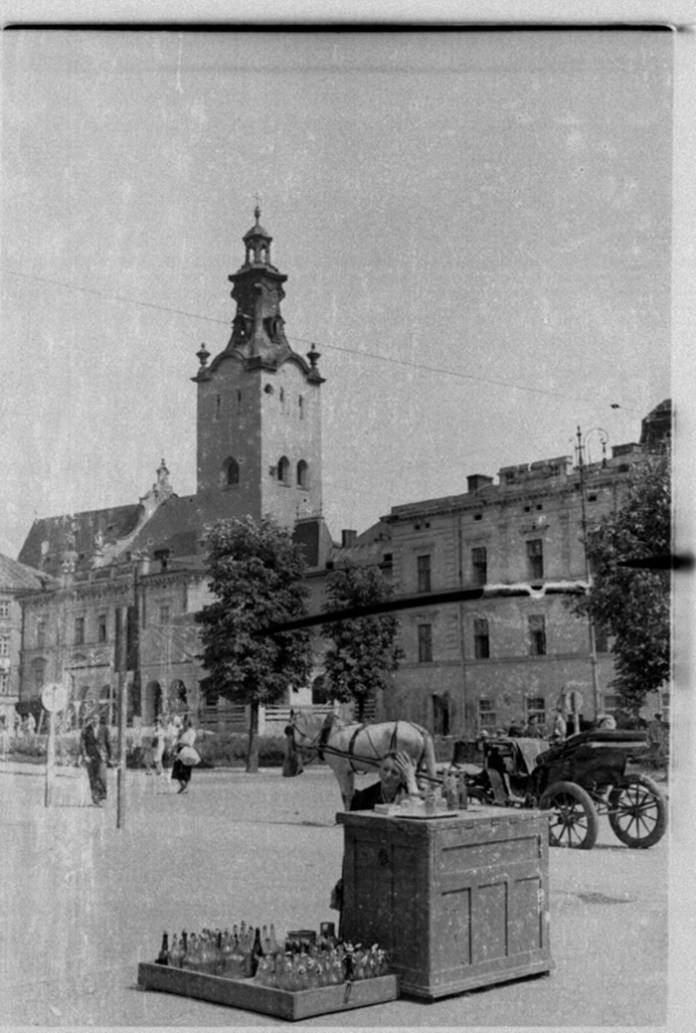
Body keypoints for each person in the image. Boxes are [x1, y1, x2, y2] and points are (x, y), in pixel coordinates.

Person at [349, 750, 421, 811]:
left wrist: (411, 779)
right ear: (379, 771)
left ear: (402, 778)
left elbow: (418, 811)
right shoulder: (362, 798)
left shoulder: (409, 794)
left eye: (394, 773)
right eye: (385, 769)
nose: (388, 775)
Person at [79, 712, 112, 807]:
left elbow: (108, 743)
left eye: (96, 719)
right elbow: (82, 744)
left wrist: (109, 757)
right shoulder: (86, 730)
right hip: (90, 756)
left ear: (99, 720)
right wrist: (84, 755)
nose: (95, 721)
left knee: (102, 777)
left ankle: (102, 797)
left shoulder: (104, 729)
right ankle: (95, 799)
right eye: (93, 719)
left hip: (102, 756)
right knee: (92, 778)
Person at [170, 715, 197, 794]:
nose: (183, 724)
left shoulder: (191, 732)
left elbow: (190, 743)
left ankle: (185, 786)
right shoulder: (182, 731)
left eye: (184, 722)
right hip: (180, 750)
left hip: (187, 751)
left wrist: (179, 742)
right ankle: (183, 785)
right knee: (177, 768)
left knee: (186, 769)